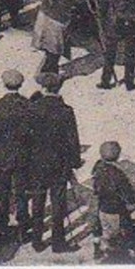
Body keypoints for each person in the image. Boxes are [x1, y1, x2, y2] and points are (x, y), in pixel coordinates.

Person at [25, 71, 82, 253]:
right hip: (59, 164)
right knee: (58, 203)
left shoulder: (33, 108)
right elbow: (73, 140)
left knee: (38, 201)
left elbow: (26, 137)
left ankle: (37, 240)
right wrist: (74, 162)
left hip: (37, 163)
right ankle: (58, 242)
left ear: (43, 87)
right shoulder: (66, 111)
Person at [0, 69, 34, 243]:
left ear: (4, 84)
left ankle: (2, 228)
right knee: (22, 193)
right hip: (23, 156)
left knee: (2, 193)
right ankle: (22, 227)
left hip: (3, 156)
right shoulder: (28, 105)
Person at [31, 0, 83, 75]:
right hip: (56, 17)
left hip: (50, 13)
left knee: (53, 45)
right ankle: (48, 73)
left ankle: (48, 69)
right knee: (54, 46)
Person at [88, 140, 135, 260]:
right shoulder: (118, 174)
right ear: (117, 156)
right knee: (120, 231)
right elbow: (127, 192)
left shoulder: (97, 168)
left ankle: (97, 249)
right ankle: (118, 254)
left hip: (101, 206)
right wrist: (132, 201)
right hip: (116, 209)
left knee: (99, 228)